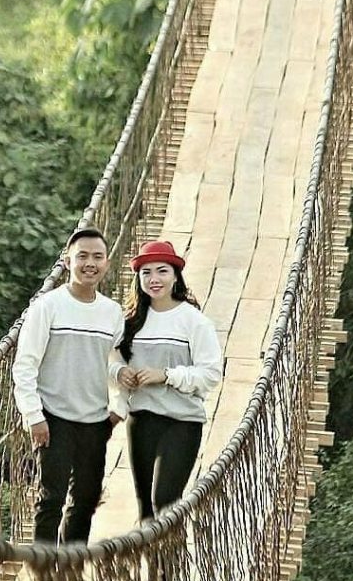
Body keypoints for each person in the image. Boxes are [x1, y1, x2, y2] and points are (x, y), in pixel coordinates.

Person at [12, 227, 125, 546]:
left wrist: (118, 409)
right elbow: (25, 364)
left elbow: (119, 366)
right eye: (83, 256)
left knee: (86, 501)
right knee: (51, 499)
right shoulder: (48, 306)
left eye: (97, 257)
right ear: (67, 260)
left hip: (95, 421)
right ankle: (44, 576)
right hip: (53, 418)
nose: (90, 263)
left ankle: (70, 574)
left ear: (106, 262)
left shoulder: (112, 312)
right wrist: (34, 416)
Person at [111, 240, 222, 524]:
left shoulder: (194, 322)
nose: (154, 279)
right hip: (141, 420)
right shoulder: (129, 323)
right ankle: (157, 570)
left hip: (181, 422)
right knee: (146, 513)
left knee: (166, 504)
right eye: (146, 272)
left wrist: (167, 375)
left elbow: (210, 375)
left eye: (162, 271)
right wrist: (120, 373)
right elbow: (110, 363)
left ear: (175, 276)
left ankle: (169, 569)